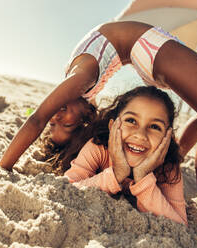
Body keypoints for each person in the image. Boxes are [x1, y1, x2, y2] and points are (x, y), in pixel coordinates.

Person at [0, 21, 197, 244]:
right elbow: (38, 120)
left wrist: (4, 167)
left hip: (143, 47)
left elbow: (37, 118)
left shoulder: (81, 78)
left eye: (54, 124)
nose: (55, 116)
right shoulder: (84, 82)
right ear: (84, 118)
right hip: (145, 50)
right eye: (65, 124)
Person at [65, 86, 187, 225]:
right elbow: (67, 189)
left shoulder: (168, 166)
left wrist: (143, 177)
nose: (140, 135)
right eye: (131, 120)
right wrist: (117, 173)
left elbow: (180, 223)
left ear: (167, 137)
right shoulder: (99, 147)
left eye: (154, 127)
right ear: (112, 126)